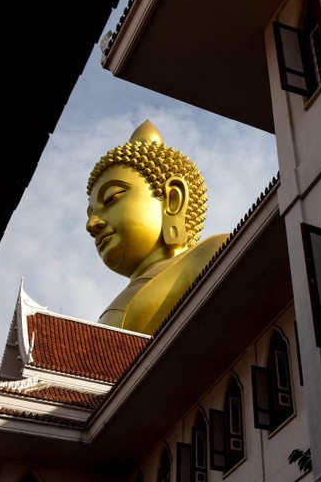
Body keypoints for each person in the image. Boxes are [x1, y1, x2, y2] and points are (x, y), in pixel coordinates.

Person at [85, 120, 229, 335]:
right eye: (90, 214)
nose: (91, 224)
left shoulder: (212, 254)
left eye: (111, 198)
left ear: (172, 200)